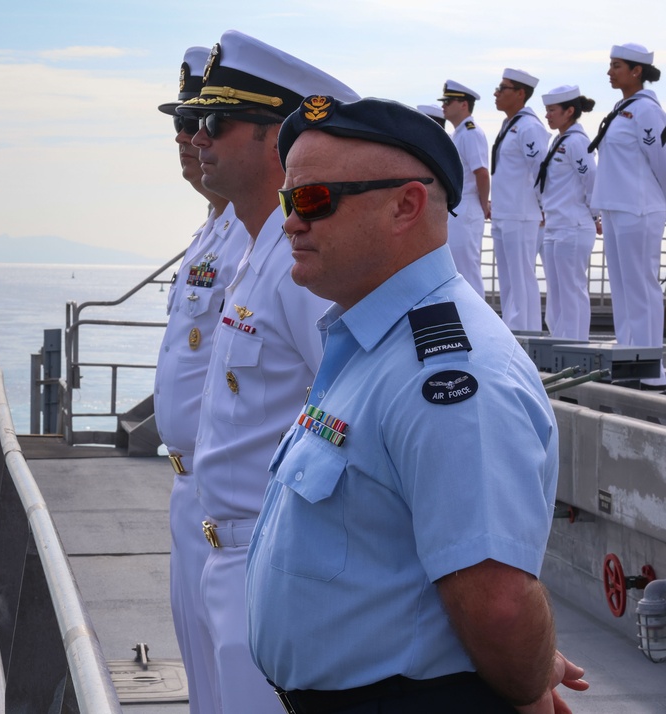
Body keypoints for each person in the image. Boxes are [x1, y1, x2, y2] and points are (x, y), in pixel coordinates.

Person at [246, 95, 589, 713]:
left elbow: (500, 602)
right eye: (288, 201)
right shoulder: (374, 343)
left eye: (315, 200)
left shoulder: (449, 373)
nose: (291, 222)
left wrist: (524, 671)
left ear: (406, 205)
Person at [176, 29, 359, 714]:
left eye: (216, 122)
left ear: (275, 138)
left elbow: (350, 424)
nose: (198, 139)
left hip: (273, 561)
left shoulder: (299, 263)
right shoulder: (259, 249)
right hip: (227, 545)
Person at [154, 45, 249, 714]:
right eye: (184, 125)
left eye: (209, 123)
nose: (192, 140)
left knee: (235, 679)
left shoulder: (256, 239)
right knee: (204, 682)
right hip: (194, 491)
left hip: (240, 502)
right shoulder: (211, 232)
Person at [590, 43, 666, 389]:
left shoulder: (647, 111)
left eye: (616, 66)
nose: (610, 71)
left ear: (637, 71)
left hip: (640, 209)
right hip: (617, 208)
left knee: (641, 288)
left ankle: (651, 368)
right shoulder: (622, 109)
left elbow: (662, 162)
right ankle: (629, 361)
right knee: (622, 291)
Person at [537, 85, 599, 340]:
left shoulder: (577, 142)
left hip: (572, 226)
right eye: (547, 110)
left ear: (569, 111)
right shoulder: (558, 140)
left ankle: (575, 346)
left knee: (572, 290)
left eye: (552, 110)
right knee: (557, 291)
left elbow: (592, 179)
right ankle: (559, 341)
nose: (548, 116)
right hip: (555, 226)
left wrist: (595, 215)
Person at [491, 68, 549, 331]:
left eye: (503, 88)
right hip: (505, 212)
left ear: (520, 93)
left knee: (521, 278)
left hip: (522, 213)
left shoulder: (529, 126)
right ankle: (512, 333)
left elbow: (541, 172)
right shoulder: (510, 125)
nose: (497, 93)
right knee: (508, 281)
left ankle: (527, 335)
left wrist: (543, 207)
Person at [440, 80, 489, 296]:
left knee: (468, 270)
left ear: (464, 105)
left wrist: (482, 204)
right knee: (457, 269)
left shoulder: (470, 132)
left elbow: (482, 173)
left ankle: (477, 326)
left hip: (468, 205)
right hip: (459, 206)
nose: (444, 105)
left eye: (449, 101)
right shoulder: (459, 133)